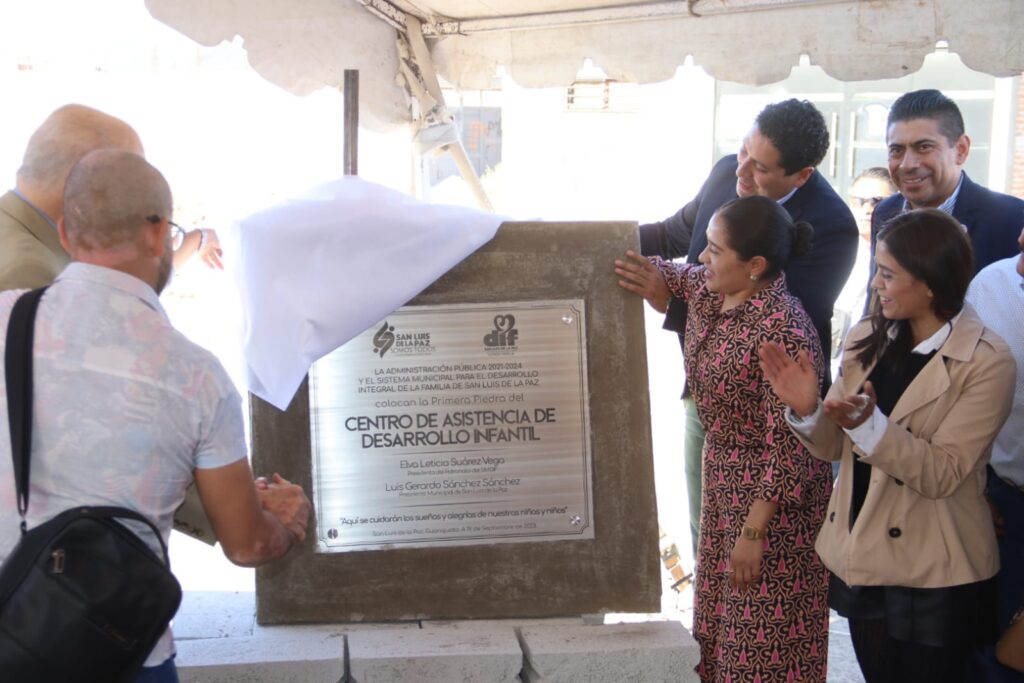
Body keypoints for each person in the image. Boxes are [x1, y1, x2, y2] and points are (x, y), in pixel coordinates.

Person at [0, 149, 311, 683]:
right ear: (158, 233)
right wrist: (286, 521)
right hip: (121, 655)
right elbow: (246, 544)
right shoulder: (196, 375)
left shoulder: (7, 317)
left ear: (66, 235)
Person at [760, 209, 1015, 683]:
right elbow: (832, 447)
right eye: (877, 269)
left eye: (888, 273)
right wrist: (809, 409)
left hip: (939, 568)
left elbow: (942, 472)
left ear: (931, 284)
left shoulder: (988, 360)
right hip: (864, 549)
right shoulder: (866, 337)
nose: (875, 283)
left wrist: (869, 425)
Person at [617, 195, 834, 683]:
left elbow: (792, 446)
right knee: (719, 635)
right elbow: (664, 271)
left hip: (772, 508)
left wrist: (754, 532)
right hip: (724, 489)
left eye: (715, 250)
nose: (701, 258)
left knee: (761, 644)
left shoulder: (785, 330)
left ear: (755, 265)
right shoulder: (714, 290)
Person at [639, 98, 857, 553]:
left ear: (800, 176)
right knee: (709, 545)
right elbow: (669, 237)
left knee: (758, 556)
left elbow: (766, 316)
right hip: (706, 399)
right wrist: (589, 240)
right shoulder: (725, 172)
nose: (741, 171)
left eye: (759, 167)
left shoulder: (833, 225)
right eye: (742, 151)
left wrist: (671, 305)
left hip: (773, 417)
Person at [0, 103, 222, 293]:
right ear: (83, 182)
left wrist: (196, 241)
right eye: (129, 181)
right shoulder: (29, 271)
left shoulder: (15, 227)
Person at [871, 89, 1024, 275]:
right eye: (896, 150)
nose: (907, 164)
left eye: (924, 147)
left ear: (961, 150)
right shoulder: (884, 212)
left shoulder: (1011, 219)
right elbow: (877, 298)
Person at [964, 225, 1024, 683]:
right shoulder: (990, 285)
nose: (1020, 241)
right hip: (1000, 503)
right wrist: (974, 486)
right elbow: (961, 398)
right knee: (988, 656)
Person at [833, 168, 898, 360]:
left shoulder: (902, 256)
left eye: (876, 201)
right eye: (858, 201)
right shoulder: (837, 249)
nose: (867, 209)